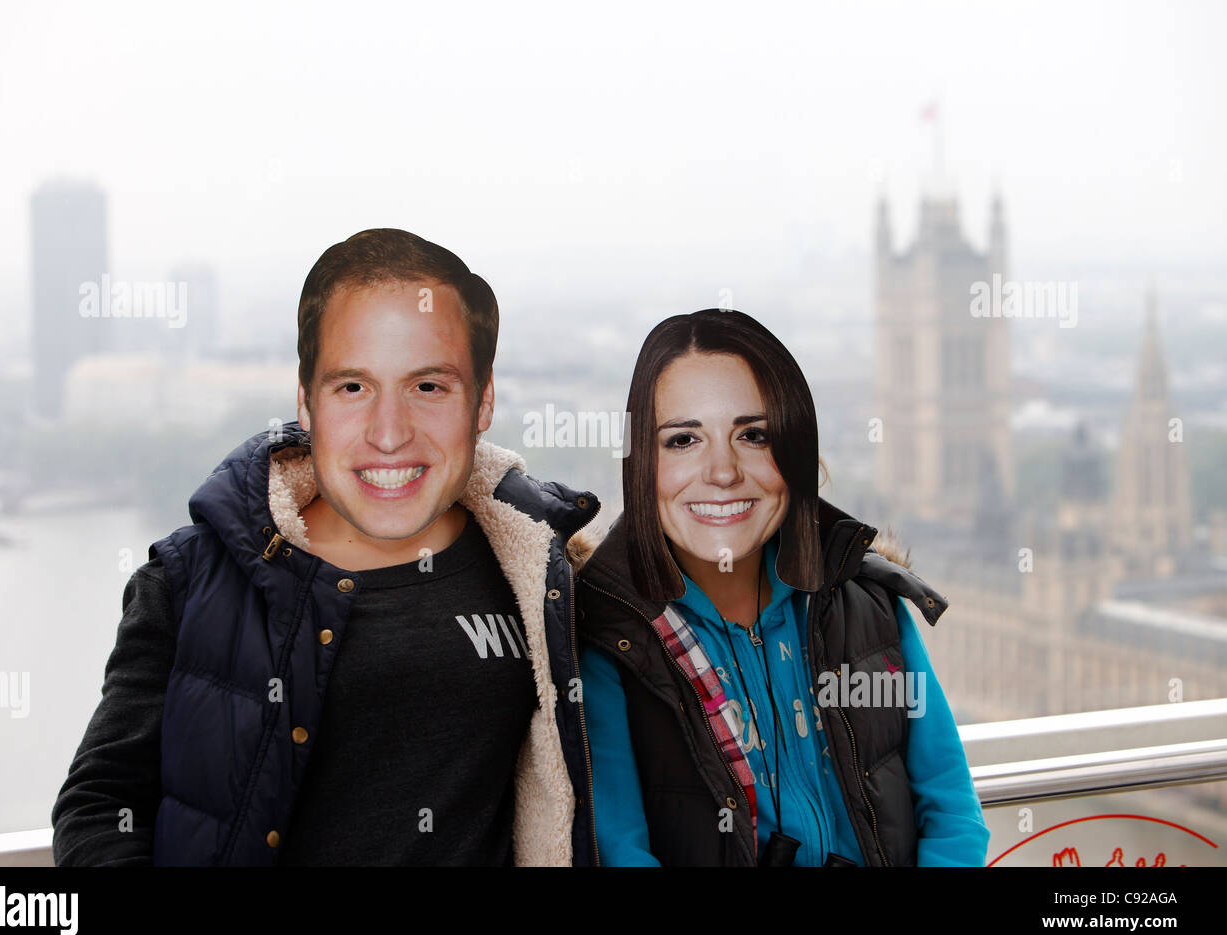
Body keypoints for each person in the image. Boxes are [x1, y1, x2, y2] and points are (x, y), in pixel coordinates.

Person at [52, 228, 600, 865]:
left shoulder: (545, 572)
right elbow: (100, 805)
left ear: (483, 401)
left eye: (428, 387)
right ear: (305, 405)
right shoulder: (191, 581)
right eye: (352, 387)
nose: (389, 434)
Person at [570, 308, 989, 866]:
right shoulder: (607, 642)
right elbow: (620, 853)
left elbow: (951, 809)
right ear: (642, 462)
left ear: (793, 452)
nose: (722, 471)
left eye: (753, 435)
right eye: (682, 440)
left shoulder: (865, 602)